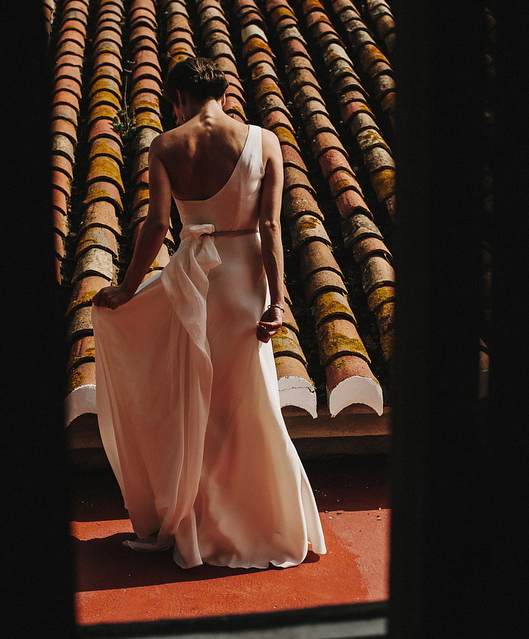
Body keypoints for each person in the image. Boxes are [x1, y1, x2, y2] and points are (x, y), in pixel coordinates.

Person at [91, 57, 326, 569]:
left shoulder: (165, 146)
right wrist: (278, 301)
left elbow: (155, 228)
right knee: (251, 405)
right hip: (246, 285)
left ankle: (204, 529)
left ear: (177, 97)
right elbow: (270, 227)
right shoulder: (264, 141)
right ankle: (271, 525)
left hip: (195, 285)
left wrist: (127, 290)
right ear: (223, 92)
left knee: (199, 406)